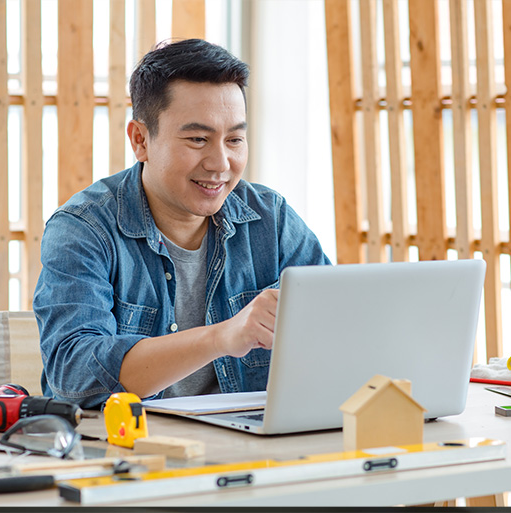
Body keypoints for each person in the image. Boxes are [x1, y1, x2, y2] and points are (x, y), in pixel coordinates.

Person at [33, 39, 331, 409]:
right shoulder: (82, 229)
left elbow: (336, 327)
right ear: (140, 140)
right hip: (133, 451)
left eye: (235, 139)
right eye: (197, 139)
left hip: (252, 449)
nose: (220, 163)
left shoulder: (270, 218)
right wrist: (222, 337)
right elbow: (74, 376)